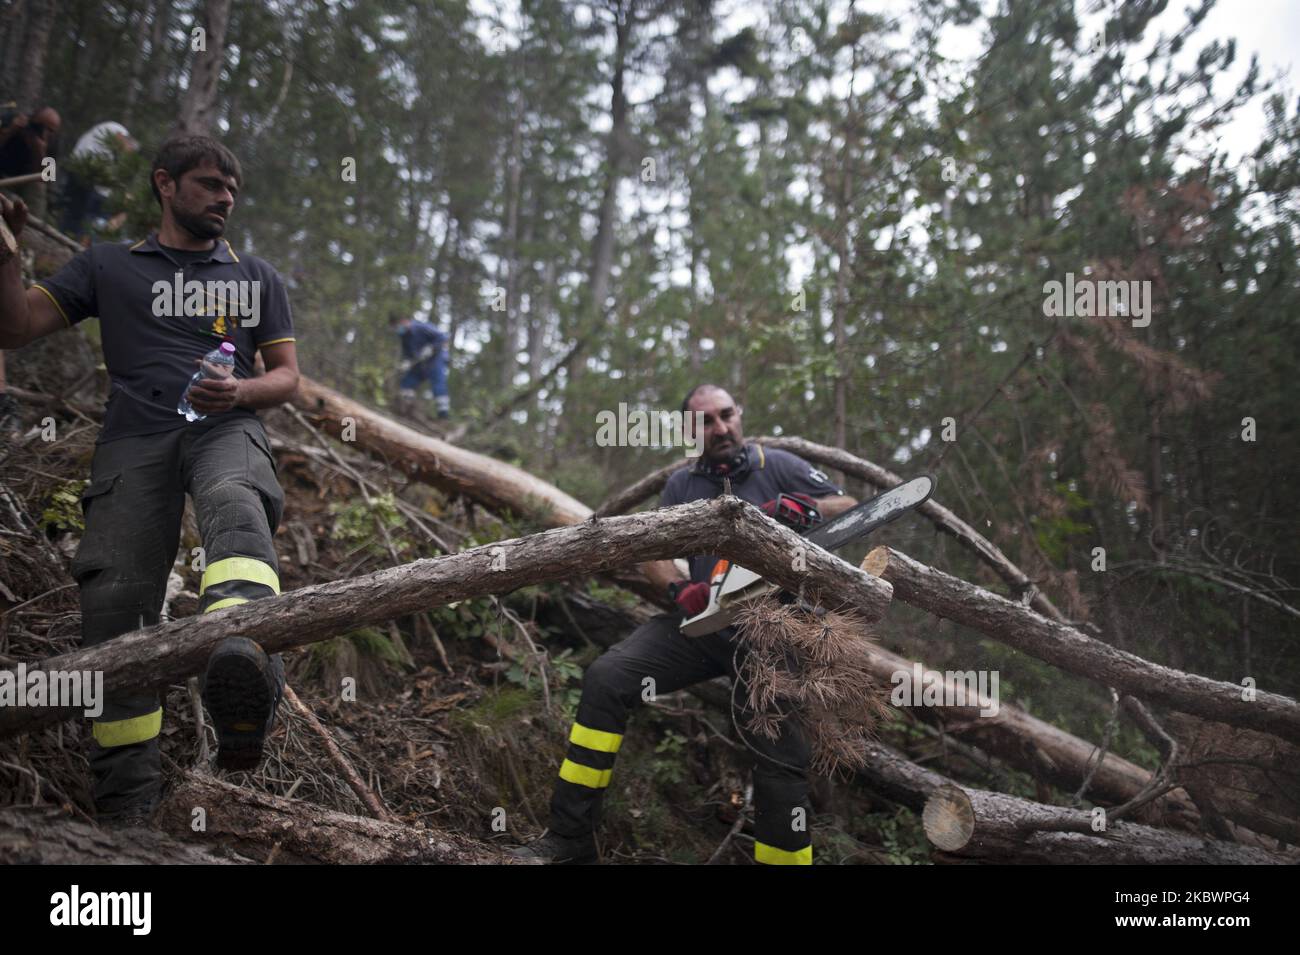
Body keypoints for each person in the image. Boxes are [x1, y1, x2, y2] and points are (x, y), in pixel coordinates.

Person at [0, 134, 300, 826]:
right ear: (165, 184)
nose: (224, 197)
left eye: (231, 188)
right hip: (133, 441)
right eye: (208, 184)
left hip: (226, 426)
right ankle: (125, 810)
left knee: (235, 499)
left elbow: (288, 377)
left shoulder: (255, 275)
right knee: (116, 608)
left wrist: (244, 391)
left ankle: (242, 663)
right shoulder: (106, 265)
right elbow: (14, 327)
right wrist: (6, 253)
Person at [515, 384, 858, 864]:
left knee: (777, 749)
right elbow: (655, 552)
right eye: (706, 421)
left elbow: (850, 506)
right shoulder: (681, 485)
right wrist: (680, 590)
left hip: (774, 625)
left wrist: (804, 508)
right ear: (689, 431)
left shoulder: (776, 464)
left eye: (726, 415)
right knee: (608, 678)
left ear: (739, 415)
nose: (720, 428)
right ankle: (570, 839)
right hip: (706, 623)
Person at [59, 121, 137, 240]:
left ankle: (67, 236)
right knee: (82, 213)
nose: (125, 154)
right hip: (83, 173)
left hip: (79, 169)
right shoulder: (116, 133)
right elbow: (104, 176)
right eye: (128, 151)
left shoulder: (107, 137)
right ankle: (71, 239)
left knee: (75, 212)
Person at [0, 105, 61, 220]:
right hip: (2, 174)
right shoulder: (11, 121)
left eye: (50, 130)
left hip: (24, 182)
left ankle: (32, 223)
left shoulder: (53, 142)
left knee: (38, 187)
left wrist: (40, 153)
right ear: (31, 119)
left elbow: (48, 177)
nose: (43, 132)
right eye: (39, 126)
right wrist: (10, 131)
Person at [389, 312, 450, 418]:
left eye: (397, 327)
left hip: (435, 361)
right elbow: (407, 352)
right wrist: (406, 362)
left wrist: (431, 348)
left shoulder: (422, 328)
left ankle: (443, 415)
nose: (397, 330)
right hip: (419, 365)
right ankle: (408, 409)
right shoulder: (404, 336)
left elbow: (442, 337)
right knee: (406, 383)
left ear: (404, 321)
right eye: (395, 328)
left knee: (438, 386)